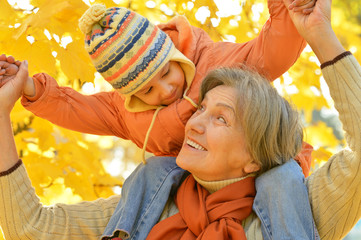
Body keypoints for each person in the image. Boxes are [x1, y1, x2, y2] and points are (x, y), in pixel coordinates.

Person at [0, 0, 360, 238]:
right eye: (201, 109)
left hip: (280, 172)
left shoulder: (299, 204)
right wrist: (25, 94)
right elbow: (31, 228)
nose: (192, 120)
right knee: (154, 167)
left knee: (283, 177)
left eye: (221, 118)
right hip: (172, 177)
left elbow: (269, 51)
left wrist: (315, 32)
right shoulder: (148, 202)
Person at [0, 1, 314, 175]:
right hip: (209, 182)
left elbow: (272, 52)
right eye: (147, 91)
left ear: (175, 55)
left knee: (281, 184)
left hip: (267, 160)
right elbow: (77, 110)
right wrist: (28, 86)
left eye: (166, 72)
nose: (164, 90)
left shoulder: (218, 64)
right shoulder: (126, 115)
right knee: (148, 176)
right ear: (131, 95)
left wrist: (288, 9)